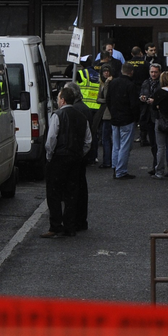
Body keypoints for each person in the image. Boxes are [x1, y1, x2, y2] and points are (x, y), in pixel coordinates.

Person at [41, 87, 91, 239]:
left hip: (59, 157)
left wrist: (50, 156)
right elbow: (88, 141)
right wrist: (80, 153)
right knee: (72, 193)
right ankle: (70, 226)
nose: (57, 100)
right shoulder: (82, 117)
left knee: (54, 193)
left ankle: (55, 226)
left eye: (58, 98)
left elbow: (51, 140)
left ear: (62, 100)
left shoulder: (58, 115)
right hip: (75, 158)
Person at [65, 82, 92, 232]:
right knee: (82, 188)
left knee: (74, 189)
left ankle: (75, 220)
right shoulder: (84, 108)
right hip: (82, 154)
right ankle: (81, 220)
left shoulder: (73, 111)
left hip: (74, 154)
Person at [106, 62, 140, 180]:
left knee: (116, 145)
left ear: (121, 71)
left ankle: (115, 167)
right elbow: (134, 104)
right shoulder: (130, 85)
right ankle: (121, 171)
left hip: (115, 118)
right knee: (125, 146)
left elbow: (108, 100)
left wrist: (113, 112)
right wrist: (136, 117)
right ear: (131, 72)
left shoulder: (113, 83)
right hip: (127, 119)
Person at [151, 72, 168, 180]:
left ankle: (160, 171)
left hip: (161, 120)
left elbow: (154, 107)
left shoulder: (160, 92)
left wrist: (157, 105)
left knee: (161, 147)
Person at [139, 65, 161, 171]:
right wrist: (142, 97)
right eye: (152, 72)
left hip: (158, 115)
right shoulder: (146, 82)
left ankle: (158, 166)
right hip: (148, 114)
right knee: (153, 143)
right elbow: (142, 93)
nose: (153, 74)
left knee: (159, 144)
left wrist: (154, 101)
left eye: (155, 72)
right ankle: (155, 165)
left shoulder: (161, 83)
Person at [95, 65, 113, 169]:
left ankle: (107, 161)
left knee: (107, 138)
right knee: (105, 137)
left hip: (108, 114)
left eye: (107, 71)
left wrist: (106, 84)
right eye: (104, 71)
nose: (106, 73)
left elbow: (106, 98)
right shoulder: (101, 83)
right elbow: (98, 99)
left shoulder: (109, 83)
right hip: (103, 113)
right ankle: (108, 160)